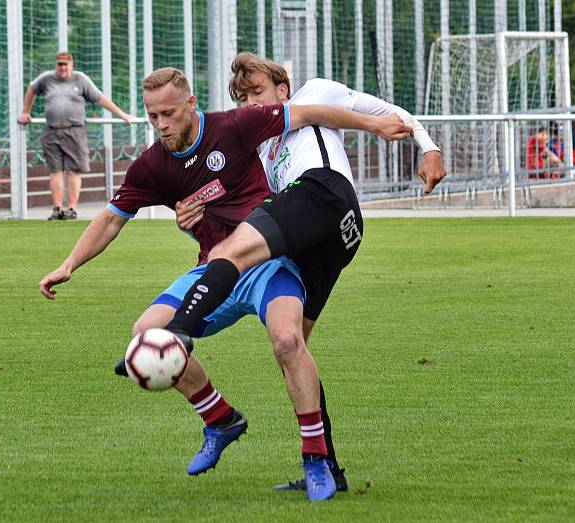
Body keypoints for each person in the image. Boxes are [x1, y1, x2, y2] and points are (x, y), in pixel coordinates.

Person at [38, 67, 412, 501]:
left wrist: (376, 124)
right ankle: (219, 419)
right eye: (152, 116)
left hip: (271, 263)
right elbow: (110, 219)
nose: (161, 125)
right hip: (212, 272)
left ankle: (315, 458)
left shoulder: (234, 126)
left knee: (289, 341)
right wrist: (69, 265)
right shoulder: (152, 165)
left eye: (169, 114)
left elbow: (309, 112)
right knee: (145, 333)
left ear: (191, 104)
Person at [159, 53, 446, 500]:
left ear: (283, 90)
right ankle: (325, 466)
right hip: (329, 240)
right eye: (243, 97)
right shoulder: (262, 147)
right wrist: (191, 215)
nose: (252, 102)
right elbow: (235, 204)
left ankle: (177, 330)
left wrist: (427, 146)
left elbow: (386, 111)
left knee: (230, 252)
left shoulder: (316, 92)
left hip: (323, 193)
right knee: (291, 346)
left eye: (259, 92)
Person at [18, 52, 134, 220]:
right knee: (55, 170)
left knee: (74, 171)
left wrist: (122, 114)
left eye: (66, 64)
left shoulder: (80, 79)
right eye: (60, 64)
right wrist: (25, 112)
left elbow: (100, 98)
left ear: (71, 65)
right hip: (52, 130)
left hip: (75, 130)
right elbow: (31, 89)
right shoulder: (47, 79)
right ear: (55, 65)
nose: (63, 68)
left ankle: (71, 209)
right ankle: (57, 208)